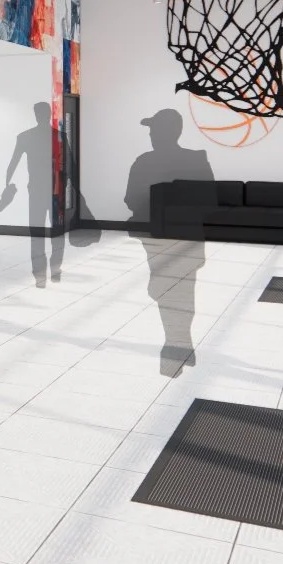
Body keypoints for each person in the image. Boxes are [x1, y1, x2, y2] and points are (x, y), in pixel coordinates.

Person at [124, 109, 215, 377]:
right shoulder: (196, 160)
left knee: (164, 290)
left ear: (165, 132)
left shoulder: (144, 162)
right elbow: (210, 198)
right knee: (183, 290)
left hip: (159, 235)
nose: (150, 134)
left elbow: (130, 199)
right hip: (188, 235)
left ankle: (174, 348)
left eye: (153, 129)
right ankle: (182, 343)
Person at [0, 101, 64, 285]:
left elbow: (12, 165)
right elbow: (69, 166)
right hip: (55, 190)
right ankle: (56, 271)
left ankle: (40, 275)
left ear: (36, 115)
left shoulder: (25, 137)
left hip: (36, 190)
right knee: (57, 232)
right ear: (49, 114)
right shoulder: (59, 137)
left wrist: (7, 186)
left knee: (36, 232)